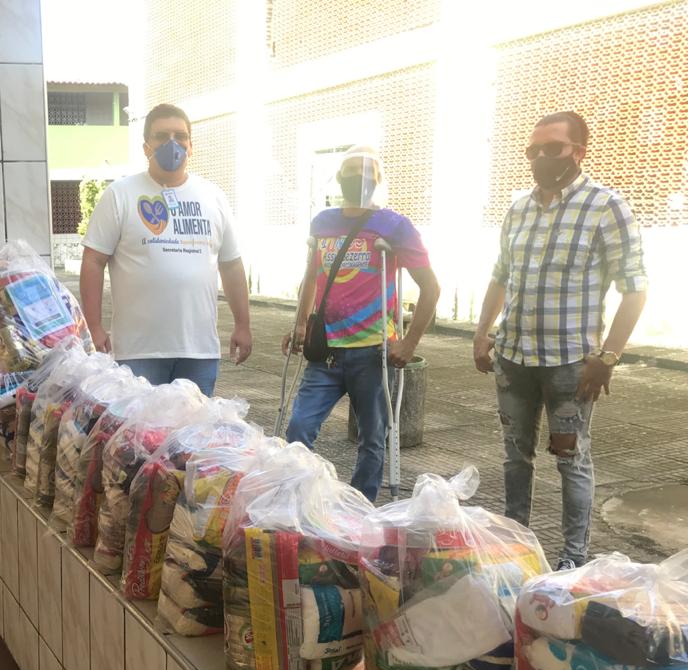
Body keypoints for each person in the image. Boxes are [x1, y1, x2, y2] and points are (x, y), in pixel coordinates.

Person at [474, 110, 647, 570]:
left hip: (571, 365)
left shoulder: (605, 206)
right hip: (513, 359)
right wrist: (481, 333)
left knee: (571, 459)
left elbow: (635, 288)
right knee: (515, 458)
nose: (541, 158)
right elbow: (500, 276)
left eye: (552, 148)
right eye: (534, 150)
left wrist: (607, 357)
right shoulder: (519, 208)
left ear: (578, 152)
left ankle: (573, 561)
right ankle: (516, 547)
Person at [282, 146, 440, 502]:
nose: (358, 179)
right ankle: (299, 499)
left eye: (367, 173)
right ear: (339, 179)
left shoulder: (395, 225)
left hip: (373, 353)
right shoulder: (323, 222)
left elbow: (431, 286)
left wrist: (410, 343)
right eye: (351, 171)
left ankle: (360, 506)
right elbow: (312, 277)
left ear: (379, 181)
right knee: (299, 428)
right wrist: (301, 325)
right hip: (325, 352)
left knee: (373, 437)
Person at [79, 102, 252, 395]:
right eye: (161, 136)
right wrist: (93, 327)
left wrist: (243, 324)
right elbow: (93, 261)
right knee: (138, 436)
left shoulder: (213, 197)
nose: (172, 143)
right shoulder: (120, 195)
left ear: (191, 145)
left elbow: (231, 265)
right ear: (146, 147)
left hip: (198, 351)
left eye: (180, 136)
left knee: (191, 436)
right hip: (138, 352)